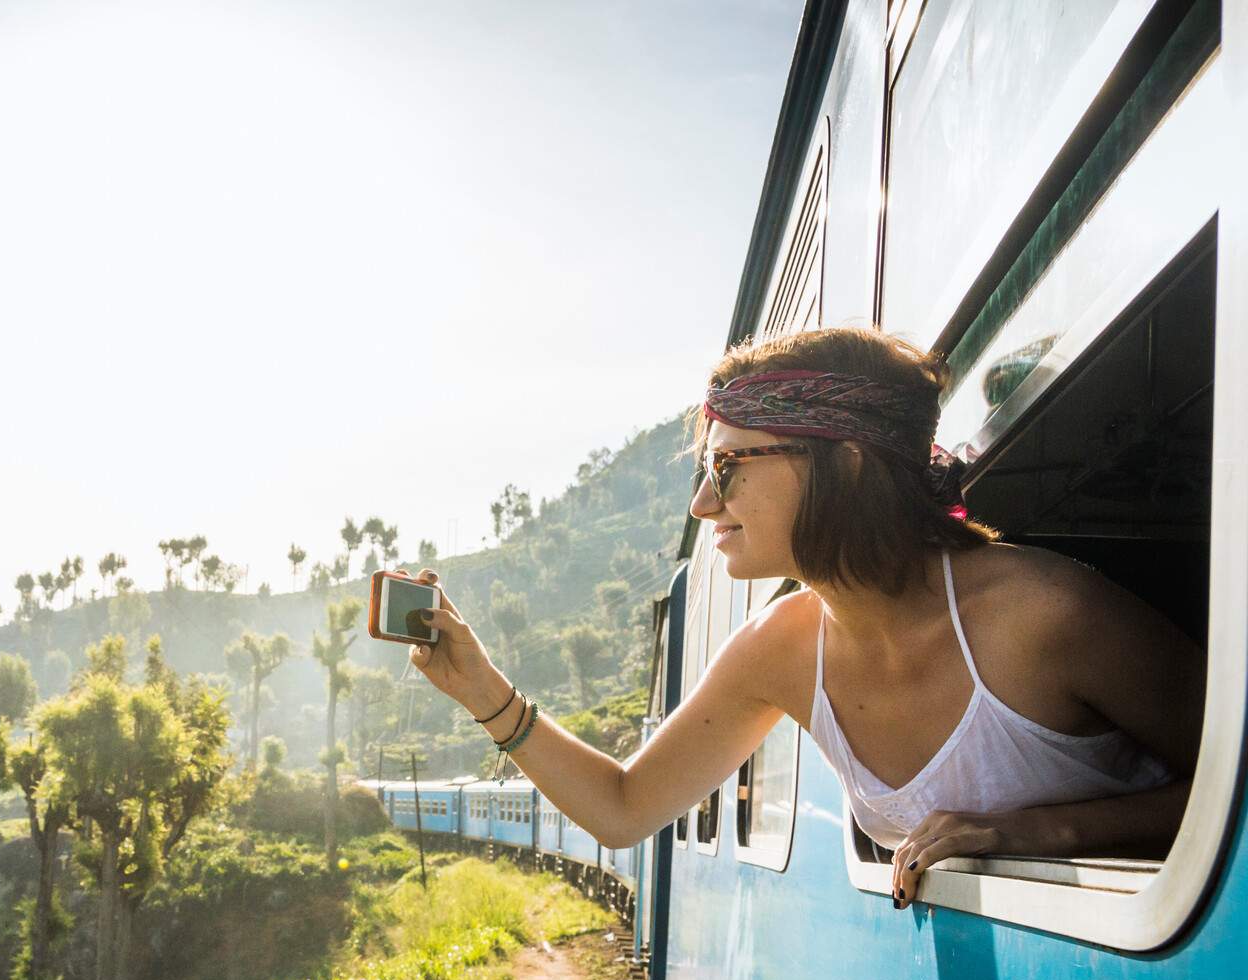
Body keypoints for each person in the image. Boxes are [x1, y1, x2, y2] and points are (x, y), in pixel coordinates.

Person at [401, 326, 1204, 908]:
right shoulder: (780, 649)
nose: (703, 502)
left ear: (844, 463)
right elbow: (623, 809)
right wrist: (481, 691)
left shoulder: (1044, 613)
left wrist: (1045, 836)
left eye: (728, 466)